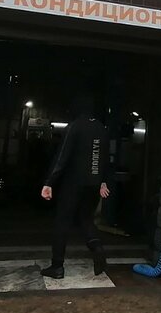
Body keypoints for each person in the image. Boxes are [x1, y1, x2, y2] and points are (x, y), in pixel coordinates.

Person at [40, 95, 111, 279]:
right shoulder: (101, 128)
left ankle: (57, 266)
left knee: (62, 221)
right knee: (86, 218)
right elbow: (104, 158)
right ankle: (97, 248)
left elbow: (62, 156)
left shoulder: (74, 126)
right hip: (94, 183)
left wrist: (49, 182)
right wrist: (103, 181)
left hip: (73, 183)